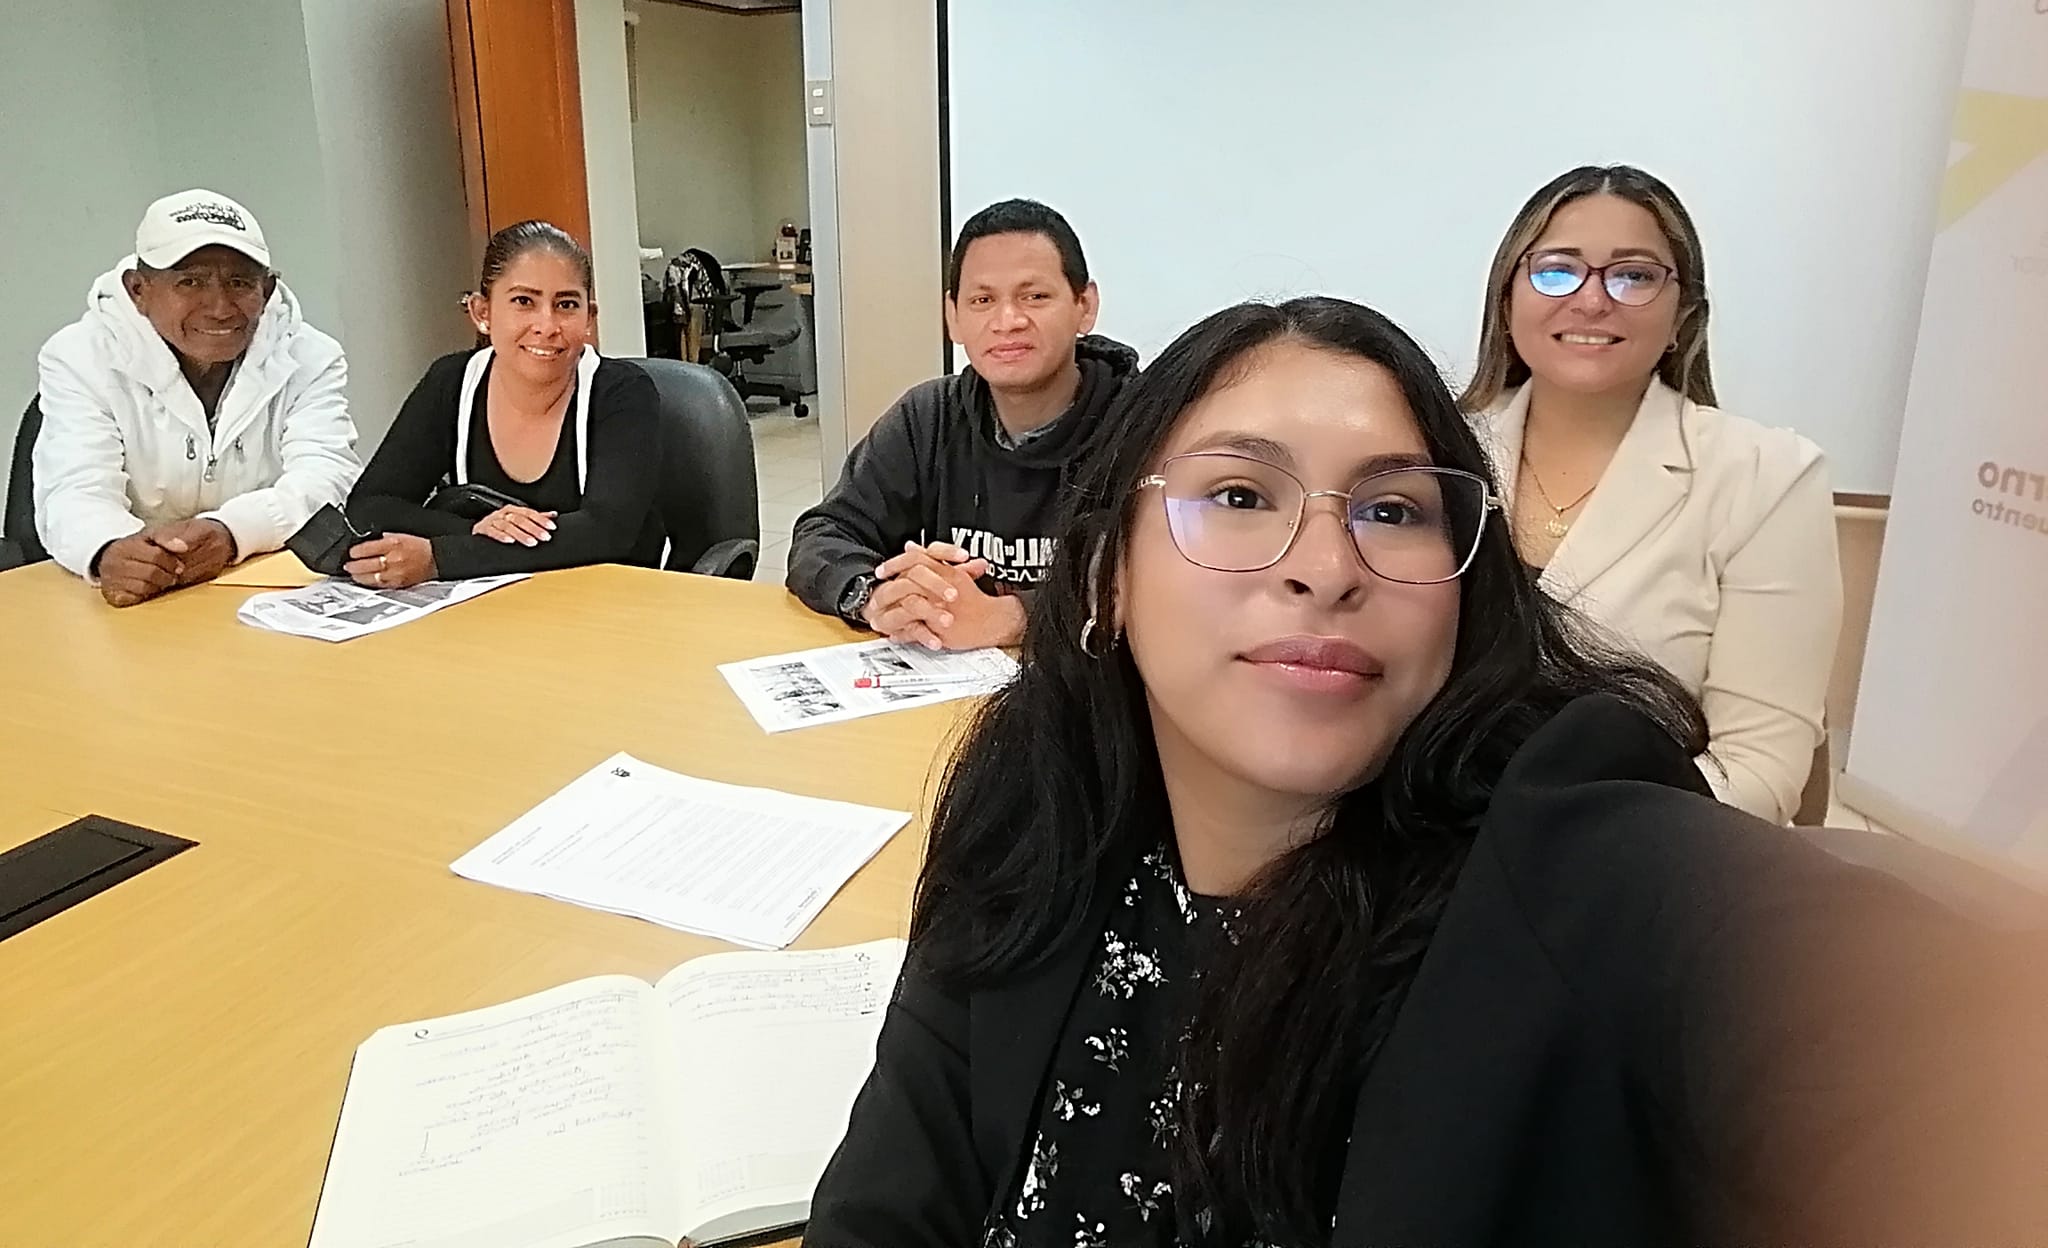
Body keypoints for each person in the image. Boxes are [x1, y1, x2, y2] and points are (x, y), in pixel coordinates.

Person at [806, 297, 2047, 1248]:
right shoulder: (1033, 810)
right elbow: (889, 1204)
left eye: (1394, 511)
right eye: (1238, 493)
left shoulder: (1577, 871)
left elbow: (1933, 1053)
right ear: (1104, 577)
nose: (1325, 564)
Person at [1459, 165, 1842, 824]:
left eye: (1633, 276)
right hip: (1424, 836)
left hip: (1632, 846)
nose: (1591, 300)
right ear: (1507, 300)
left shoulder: (1767, 476)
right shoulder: (1437, 453)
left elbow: (1759, 770)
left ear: (1682, 316)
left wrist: (1556, 839)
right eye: (1557, 270)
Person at [786, 198, 1137, 649]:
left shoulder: (1143, 422)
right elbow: (823, 534)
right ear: (953, 317)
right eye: (982, 300)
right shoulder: (928, 417)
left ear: (1084, 305)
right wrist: (873, 597)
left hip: (1089, 677)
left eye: (1034, 296)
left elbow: (1166, 578)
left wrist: (1013, 618)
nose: (1007, 321)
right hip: (947, 673)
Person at [33, 189, 359, 607]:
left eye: (240, 283)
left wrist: (233, 532)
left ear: (267, 291)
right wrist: (110, 549)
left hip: (257, 588)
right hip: (134, 600)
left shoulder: (312, 355)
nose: (220, 307)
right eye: (191, 282)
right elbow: (74, 489)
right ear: (138, 290)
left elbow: (328, 476)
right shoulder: (79, 356)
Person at [345, 221, 663, 585]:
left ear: (589, 318)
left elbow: (607, 532)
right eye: (524, 302)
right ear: (482, 312)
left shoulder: (623, 392)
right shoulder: (452, 381)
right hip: (494, 603)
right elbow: (370, 506)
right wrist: (475, 528)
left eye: (566, 305)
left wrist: (441, 558)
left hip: (612, 599)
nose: (547, 325)